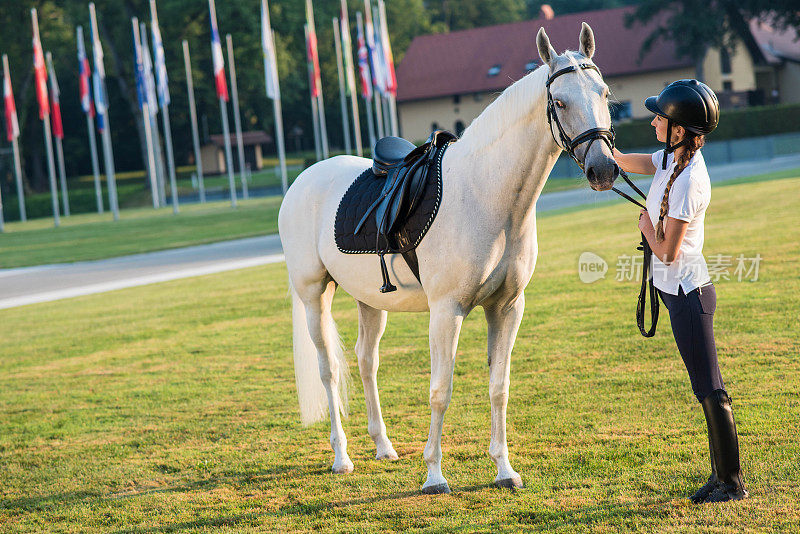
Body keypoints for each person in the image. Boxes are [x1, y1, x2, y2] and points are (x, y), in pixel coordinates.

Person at [612, 79, 748, 504]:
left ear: (679, 130)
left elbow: (668, 252)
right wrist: (608, 158)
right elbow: (643, 163)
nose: (654, 120)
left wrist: (645, 229)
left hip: (689, 294)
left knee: (710, 386)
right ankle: (719, 476)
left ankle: (732, 482)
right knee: (702, 387)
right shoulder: (673, 161)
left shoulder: (690, 180)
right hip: (679, 295)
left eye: (661, 117)